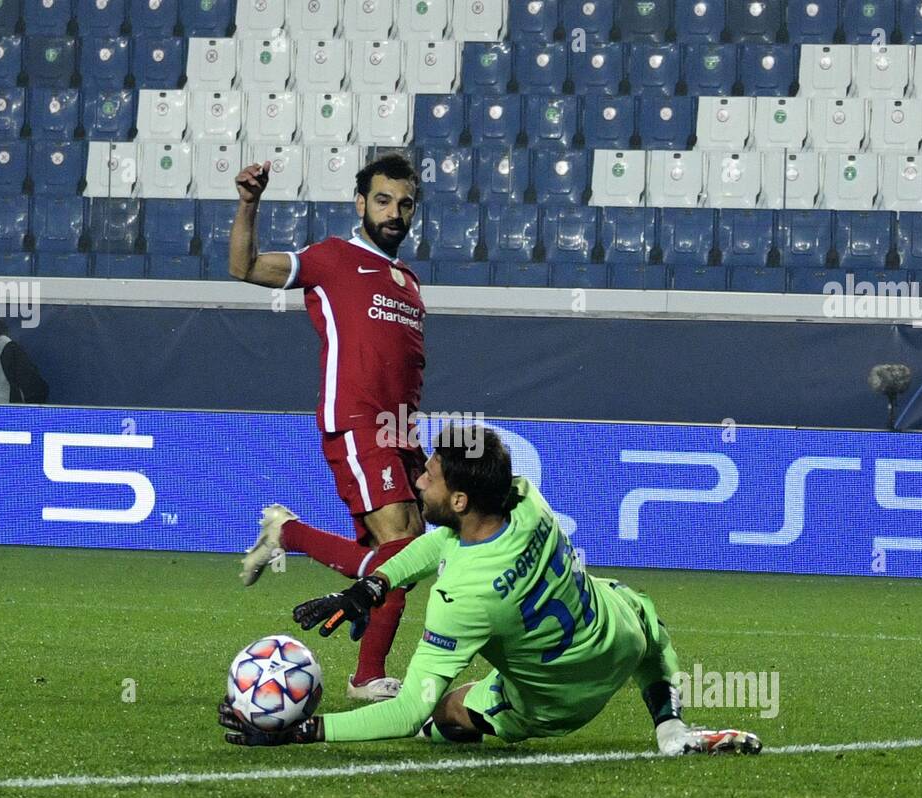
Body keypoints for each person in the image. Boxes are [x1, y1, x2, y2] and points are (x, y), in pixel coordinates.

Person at [217, 425, 765, 756]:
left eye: (430, 476)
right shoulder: (525, 498)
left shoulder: (463, 598)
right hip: (617, 640)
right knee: (638, 609)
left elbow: (407, 711)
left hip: (559, 702)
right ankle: (670, 728)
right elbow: (441, 546)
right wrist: (374, 585)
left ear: (459, 502)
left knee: (446, 713)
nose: (419, 482)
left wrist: (303, 731)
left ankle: (483, 716)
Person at [228, 153, 426, 701]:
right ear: (361, 204)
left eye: (405, 204)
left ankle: (286, 533)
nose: (394, 212)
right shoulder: (333, 258)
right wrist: (249, 203)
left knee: (399, 565)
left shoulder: (407, 281)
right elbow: (244, 267)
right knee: (403, 550)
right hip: (359, 424)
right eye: (383, 201)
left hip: (402, 433)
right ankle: (366, 678)